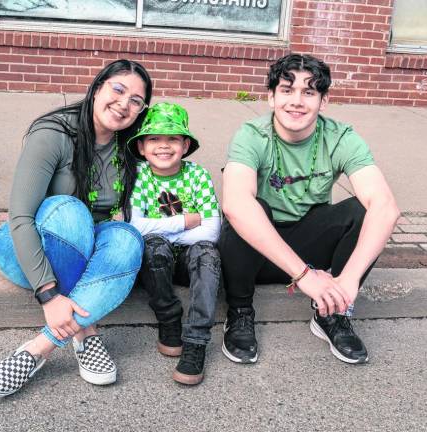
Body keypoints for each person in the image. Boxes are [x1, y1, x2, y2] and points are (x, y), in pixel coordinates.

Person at [0, 59, 152, 398]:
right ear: (97, 87)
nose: (124, 104)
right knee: (71, 211)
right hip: (26, 248)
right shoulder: (54, 133)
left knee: (128, 239)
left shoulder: (130, 148)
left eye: (136, 101)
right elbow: (20, 218)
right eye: (118, 90)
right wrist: (48, 294)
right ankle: (86, 334)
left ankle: (38, 349)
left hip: (82, 249)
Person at [219, 53, 400, 365]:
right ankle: (239, 312)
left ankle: (333, 313)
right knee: (246, 210)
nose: (297, 102)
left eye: (309, 92)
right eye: (287, 90)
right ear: (271, 97)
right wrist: (304, 276)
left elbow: (385, 207)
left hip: (309, 243)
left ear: (323, 101)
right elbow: (235, 204)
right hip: (258, 252)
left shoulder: (340, 137)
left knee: (362, 211)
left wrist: (347, 283)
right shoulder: (252, 135)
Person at [128, 102, 221, 385]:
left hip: (188, 261)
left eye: (173, 139)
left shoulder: (198, 176)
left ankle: (195, 341)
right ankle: (168, 317)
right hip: (155, 265)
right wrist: (183, 222)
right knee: (154, 246)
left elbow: (212, 231)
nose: (163, 146)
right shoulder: (139, 175)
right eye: (154, 139)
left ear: (185, 145)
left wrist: (161, 230)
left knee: (208, 254)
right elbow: (135, 226)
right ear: (142, 147)